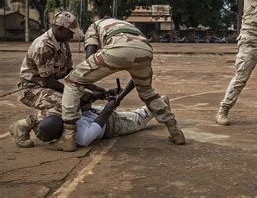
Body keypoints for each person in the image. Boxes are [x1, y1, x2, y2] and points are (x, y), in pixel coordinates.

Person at [48, 17, 185, 152]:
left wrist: (90, 84)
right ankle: (175, 131)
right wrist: (121, 95)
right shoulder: (122, 24)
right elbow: (135, 78)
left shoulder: (93, 27)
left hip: (118, 46)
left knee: (72, 81)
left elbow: (89, 57)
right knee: (147, 91)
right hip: (145, 48)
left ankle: (68, 137)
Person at [9, 11, 89, 148]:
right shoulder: (43, 46)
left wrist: (91, 85)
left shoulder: (62, 43)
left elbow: (70, 72)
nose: (72, 35)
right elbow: (49, 82)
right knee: (65, 104)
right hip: (30, 89)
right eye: (71, 32)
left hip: (45, 87)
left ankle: (60, 130)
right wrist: (76, 92)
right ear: (60, 28)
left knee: (81, 102)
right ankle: (22, 126)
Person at [37, 88, 154, 147]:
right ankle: (158, 105)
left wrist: (105, 93)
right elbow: (103, 118)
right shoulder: (81, 139)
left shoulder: (63, 118)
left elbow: (85, 103)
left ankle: (156, 105)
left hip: (96, 112)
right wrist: (113, 102)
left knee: (138, 113)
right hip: (112, 125)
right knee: (142, 116)